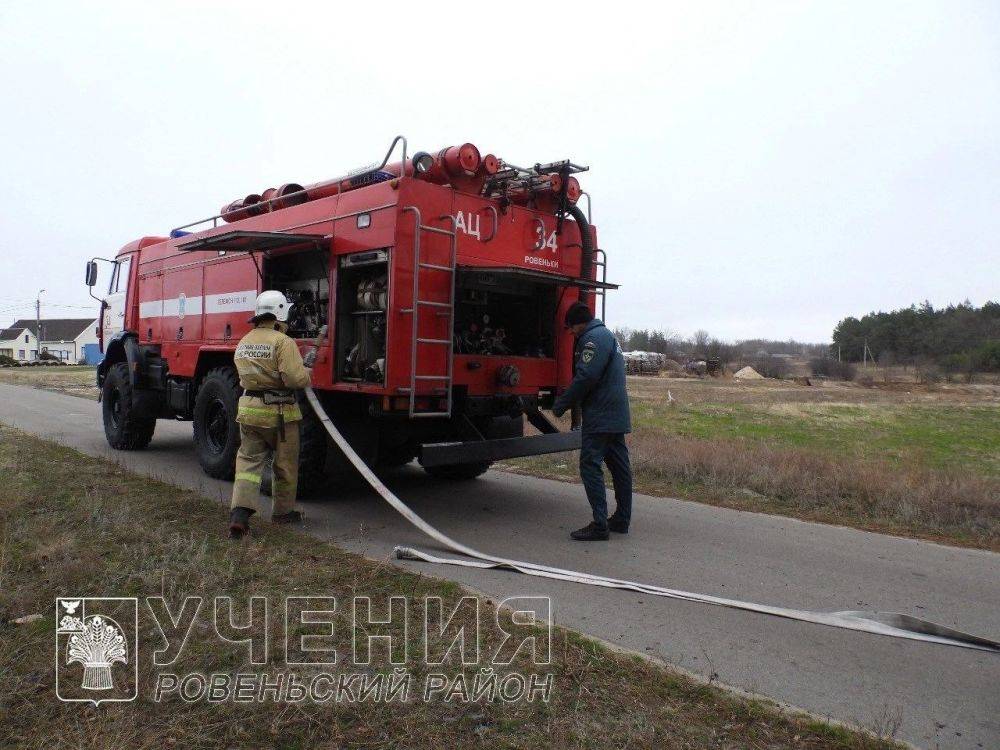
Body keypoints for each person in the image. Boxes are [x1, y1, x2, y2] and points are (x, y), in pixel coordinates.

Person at [228, 291, 314, 539]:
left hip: (249, 410)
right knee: (285, 465)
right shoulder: (282, 342)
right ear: (280, 313)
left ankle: (239, 517)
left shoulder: (244, 341)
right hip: (279, 414)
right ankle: (283, 513)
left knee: (247, 464)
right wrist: (306, 373)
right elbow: (293, 378)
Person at [552, 301, 633, 541]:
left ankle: (600, 525)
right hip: (617, 414)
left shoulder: (592, 339)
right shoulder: (609, 336)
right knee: (620, 468)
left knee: (590, 465)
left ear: (579, 323)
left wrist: (562, 403)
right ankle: (621, 519)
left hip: (600, 415)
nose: (571, 333)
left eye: (571, 328)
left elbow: (586, 376)